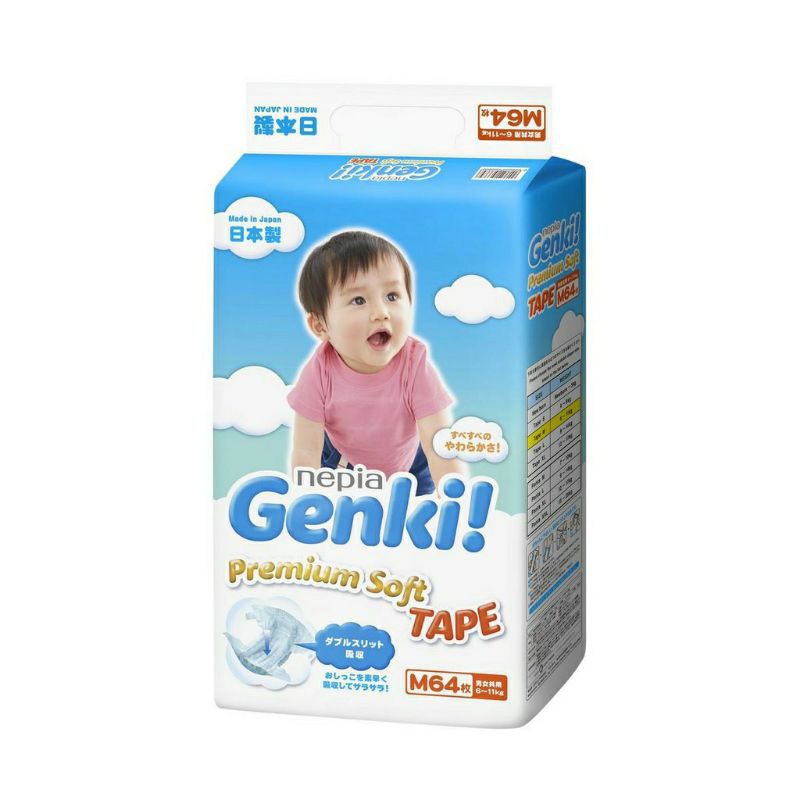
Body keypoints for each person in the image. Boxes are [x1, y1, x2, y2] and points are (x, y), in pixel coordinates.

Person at [287, 231, 464, 495]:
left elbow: (439, 445)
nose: (381, 313)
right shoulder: (319, 372)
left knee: (424, 501)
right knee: (337, 503)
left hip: (409, 462)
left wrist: (457, 503)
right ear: (320, 325)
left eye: (392, 296)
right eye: (358, 300)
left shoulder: (415, 365)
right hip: (344, 461)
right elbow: (305, 451)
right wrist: (306, 503)